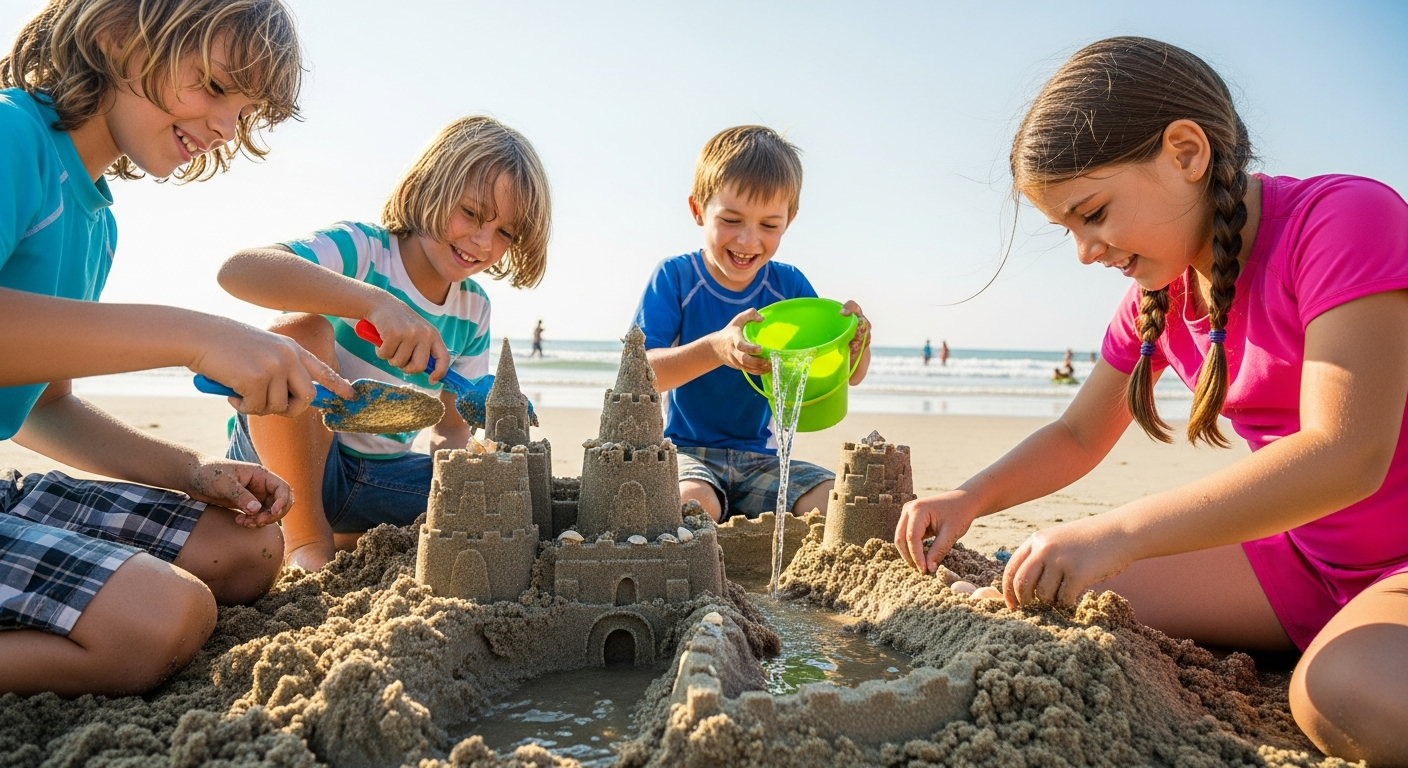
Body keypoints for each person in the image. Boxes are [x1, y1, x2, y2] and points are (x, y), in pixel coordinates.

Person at [895, 37, 1408, 762]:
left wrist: (1120, 531)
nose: (1085, 251)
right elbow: (1077, 435)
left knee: (1343, 694)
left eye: (1095, 212)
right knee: (1042, 591)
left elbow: (1347, 453)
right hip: (1305, 564)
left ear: (1186, 152)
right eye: (1067, 229)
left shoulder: (1343, 219)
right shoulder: (1158, 297)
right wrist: (970, 498)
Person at [0, 0, 355, 697]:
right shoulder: (11, 136)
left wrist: (188, 470)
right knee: (161, 616)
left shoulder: (96, 223)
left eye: (244, 111)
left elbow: (45, 408)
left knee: (249, 548)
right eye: (218, 87)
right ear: (115, 37)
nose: (226, 127)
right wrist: (197, 336)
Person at [218, 117, 552, 572]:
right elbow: (239, 272)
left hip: (382, 479)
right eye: (471, 213)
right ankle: (306, 541)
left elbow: (451, 427)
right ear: (429, 185)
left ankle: (348, 535)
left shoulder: (473, 308)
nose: (482, 241)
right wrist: (374, 304)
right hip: (285, 468)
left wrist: (451, 496)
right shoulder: (364, 250)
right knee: (300, 330)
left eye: (505, 233)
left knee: (504, 492)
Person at [633, 125, 872, 523]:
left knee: (838, 504)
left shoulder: (789, 286)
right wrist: (715, 349)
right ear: (697, 210)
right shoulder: (676, 277)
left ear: (789, 220)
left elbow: (848, 376)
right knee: (694, 505)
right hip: (687, 453)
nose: (747, 241)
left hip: (761, 459)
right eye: (731, 219)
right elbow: (642, 374)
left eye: (768, 225)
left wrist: (856, 343)